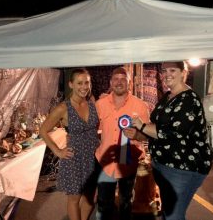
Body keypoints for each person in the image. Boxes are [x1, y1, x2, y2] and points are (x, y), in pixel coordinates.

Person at [124, 61, 213, 220]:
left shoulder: (189, 100)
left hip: (182, 168)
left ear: (184, 73)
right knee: (168, 210)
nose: (167, 74)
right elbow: (157, 125)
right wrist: (139, 134)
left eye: (173, 70)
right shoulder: (168, 95)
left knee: (173, 215)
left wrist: (141, 125)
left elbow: (171, 133)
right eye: (164, 71)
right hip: (164, 164)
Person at [40, 68, 99, 220]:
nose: (84, 87)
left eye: (87, 82)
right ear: (71, 84)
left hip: (93, 156)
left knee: (90, 198)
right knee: (75, 198)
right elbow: (43, 130)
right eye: (79, 83)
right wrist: (57, 151)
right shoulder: (63, 108)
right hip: (75, 158)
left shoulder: (92, 103)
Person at [95, 66, 150, 220]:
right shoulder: (100, 104)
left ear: (129, 82)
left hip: (129, 162)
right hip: (105, 161)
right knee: (104, 204)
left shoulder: (140, 105)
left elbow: (148, 136)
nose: (119, 82)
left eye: (123, 79)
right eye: (116, 79)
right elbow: (93, 129)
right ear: (110, 82)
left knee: (126, 203)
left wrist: (138, 135)